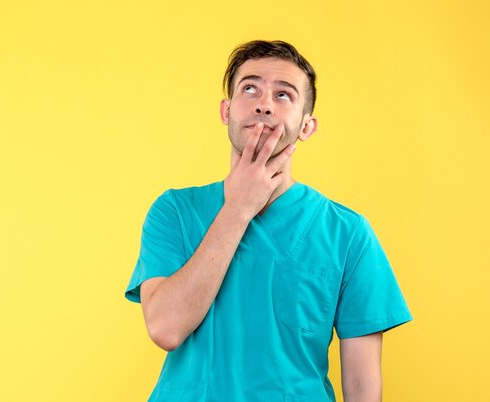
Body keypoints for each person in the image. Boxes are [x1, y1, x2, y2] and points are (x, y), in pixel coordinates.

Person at [125, 40, 412, 402]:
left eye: (284, 95)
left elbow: (362, 386)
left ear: (307, 126)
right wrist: (238, 209)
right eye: (250, 88)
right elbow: (165, 328)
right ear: (226, 111)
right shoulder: (175, 211)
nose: (264, 103)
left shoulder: (348, 233)